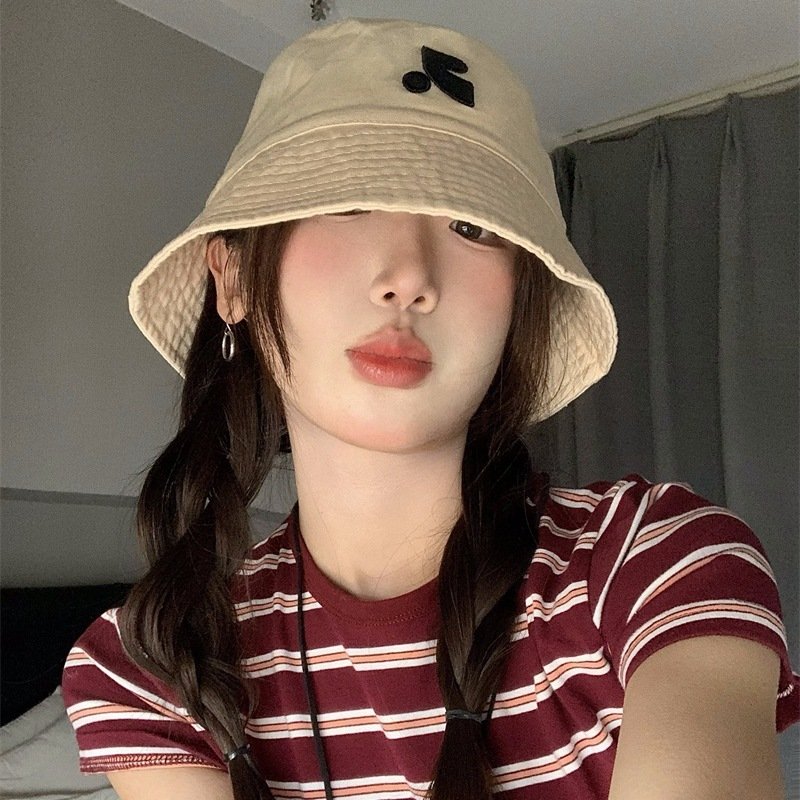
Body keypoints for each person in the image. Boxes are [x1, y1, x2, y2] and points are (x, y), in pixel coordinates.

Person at [61, 17, 799, 800]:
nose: (409, 277)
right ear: (234, 278)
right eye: (350, 202)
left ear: (518, 306)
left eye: (472, 227)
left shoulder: (654, 564)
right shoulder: (153, 665)